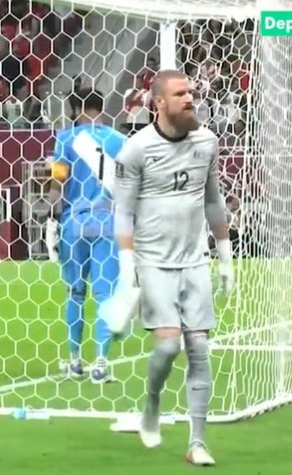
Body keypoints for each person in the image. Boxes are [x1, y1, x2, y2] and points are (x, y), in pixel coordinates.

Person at [112, 70, 235, 465]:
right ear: (159, 103)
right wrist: (126, 265)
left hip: (195, 260)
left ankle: (197, 442)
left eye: (191, 92)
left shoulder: (207, 141)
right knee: (167, 346)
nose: (189, 99)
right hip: (153, 262)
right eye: (180, 94)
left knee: (198, 347)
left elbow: (213, 199)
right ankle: (151, 403)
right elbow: (123, 211)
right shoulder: (136, 150)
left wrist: (225, 254)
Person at [45, 88, 127, 383]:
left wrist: (51, 219)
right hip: (107, 223)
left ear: (77, 109)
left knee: (75, 293)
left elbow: (57, 185)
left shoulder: (65, 139)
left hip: (74, 224)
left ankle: (75, 361)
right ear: (100, 107)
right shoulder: (120, 141)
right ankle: (101, 365)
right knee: (105, 295)